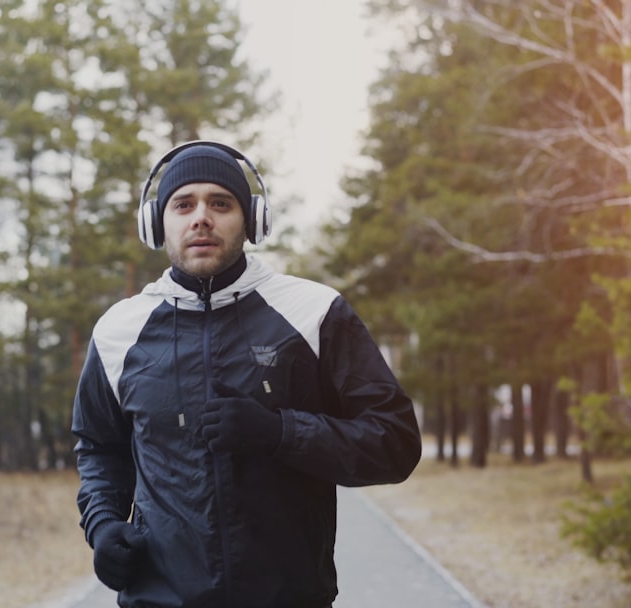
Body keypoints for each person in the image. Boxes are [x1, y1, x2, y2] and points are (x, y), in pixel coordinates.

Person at [72, 140, 423, 607]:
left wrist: (280, 432)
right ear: (157, 222)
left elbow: (394, 442)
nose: (201, 217)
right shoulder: (119, 331)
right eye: (184, 204)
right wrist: (103, 525)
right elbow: (99, 447)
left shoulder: (314, 314)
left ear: (252, 220)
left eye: (220, 202)